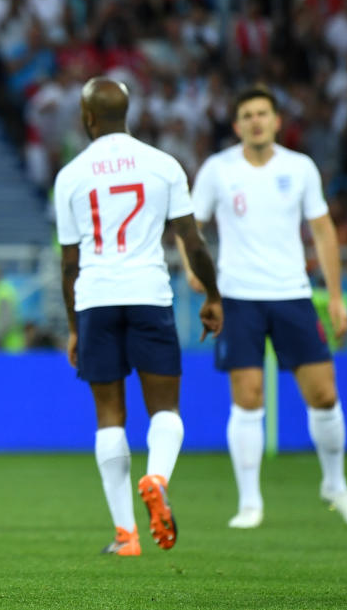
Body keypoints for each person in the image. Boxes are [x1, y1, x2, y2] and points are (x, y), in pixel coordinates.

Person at [183, 85, 347, 530]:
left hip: (293, 294)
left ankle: (336, 486)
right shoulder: (218, 169)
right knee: (247, 399)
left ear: (275, 121)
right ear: (236, 125)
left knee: (324, 394)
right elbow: (190, 226)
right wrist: (196, 269)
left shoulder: (299, 167)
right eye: (247, 114)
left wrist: (337, 295)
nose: (255, 120)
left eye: (262, 113)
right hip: (237, 297)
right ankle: (250, 503)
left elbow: (323, 232)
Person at [54, 78, 223, 556]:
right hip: (149, 293)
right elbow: (193, 242)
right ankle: (157, 477)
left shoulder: (71, 174)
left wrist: (72, 327)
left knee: (110, 415)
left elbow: (69, 264)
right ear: (127, 113)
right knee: (165, 410)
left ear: (88, 118)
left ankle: (126, 535)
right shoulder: (163, 165)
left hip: (95, 300)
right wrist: (213, 295)